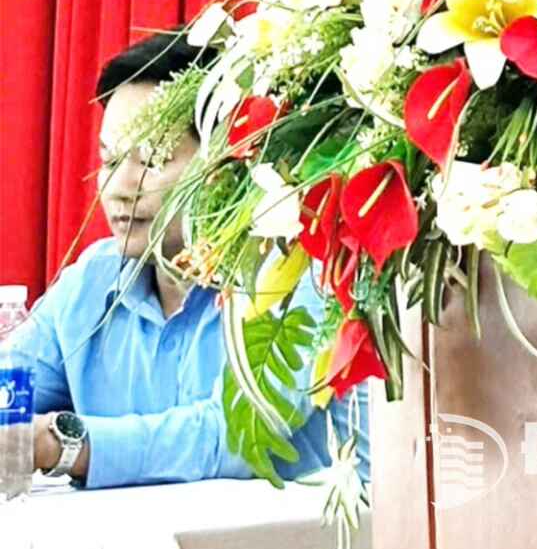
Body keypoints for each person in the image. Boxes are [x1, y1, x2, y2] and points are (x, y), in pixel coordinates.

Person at [1, 32, 346, 488]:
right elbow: (11, 392)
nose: (120, 186)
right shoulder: (90, 280)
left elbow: (237, 436)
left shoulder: (294, 275)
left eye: (152, 159)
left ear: (228, 162)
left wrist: (62, 444)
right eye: (109, 160)